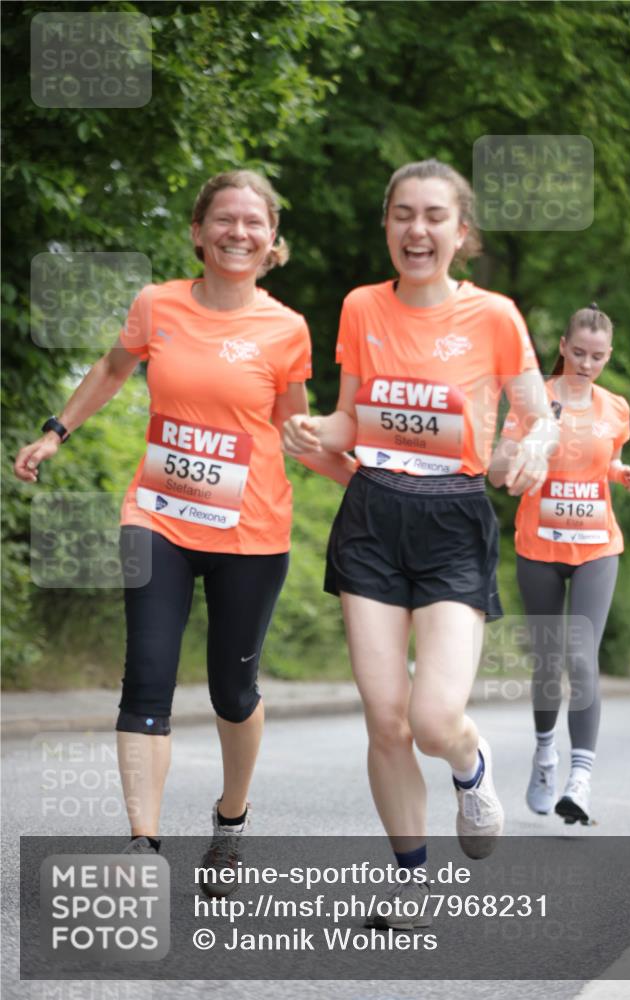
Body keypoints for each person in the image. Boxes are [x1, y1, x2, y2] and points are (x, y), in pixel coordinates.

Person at [14, 169, 353, 869]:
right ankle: (143, 843)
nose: (238, 232)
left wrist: (374, 481)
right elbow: (113, 370)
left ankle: (232, 815)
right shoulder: (157, 304)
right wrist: (56, 432)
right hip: (157, 517)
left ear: (272, 240)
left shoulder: (286, 329)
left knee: (234, 692)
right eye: (224, 219)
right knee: (146, 677)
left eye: (253, 222)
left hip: (250, 531)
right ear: (198, 231)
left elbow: (294, 432)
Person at [282, 159, 559, 925]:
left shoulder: (494, 316)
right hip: (372, 514)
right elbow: (352, 418)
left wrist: (531, 451)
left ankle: (470, 767)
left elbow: (536, 414)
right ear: (386, 226)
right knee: (386, 720)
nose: (417, 229)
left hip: (451, 520)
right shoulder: (361, 306)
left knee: (433, 719)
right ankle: (411, 883)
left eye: (434, 216)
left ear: (460, 232)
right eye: (403, 214)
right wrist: (313, 431)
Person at [489, 303, 630, 825]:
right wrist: (515, 456)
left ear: (608, 356)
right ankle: (545, 757)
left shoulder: (615, 407)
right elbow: (499, 471)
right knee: (548, 662)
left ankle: (580, 779)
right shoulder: (535, 400)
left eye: (597, 356)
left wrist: (622, 473)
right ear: (562, 346)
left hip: (598, 545)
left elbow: (606, 459)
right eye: (578, 352)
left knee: (581, 655)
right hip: (539, 547)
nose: (586, 363)